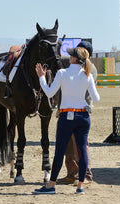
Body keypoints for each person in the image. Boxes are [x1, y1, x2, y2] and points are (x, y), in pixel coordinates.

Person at [33, 46, 100, 195]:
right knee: (82, 150)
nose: (69, 57)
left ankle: (51, 185)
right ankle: (80, 186)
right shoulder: (87, 75)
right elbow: (96, 98)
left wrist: (41, 77)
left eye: (71, 56)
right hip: (83, 116)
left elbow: (50, 92)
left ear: (74, 59)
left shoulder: (63, 73)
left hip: (66, 116)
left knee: (59, 151)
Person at [58, 40, 97, 185]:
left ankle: (86, 175)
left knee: (81, 146)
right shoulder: (80, 67)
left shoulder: (88, 69)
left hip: (80, 110)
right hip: (70, 110)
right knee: (69, 146)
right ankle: (72, 174)